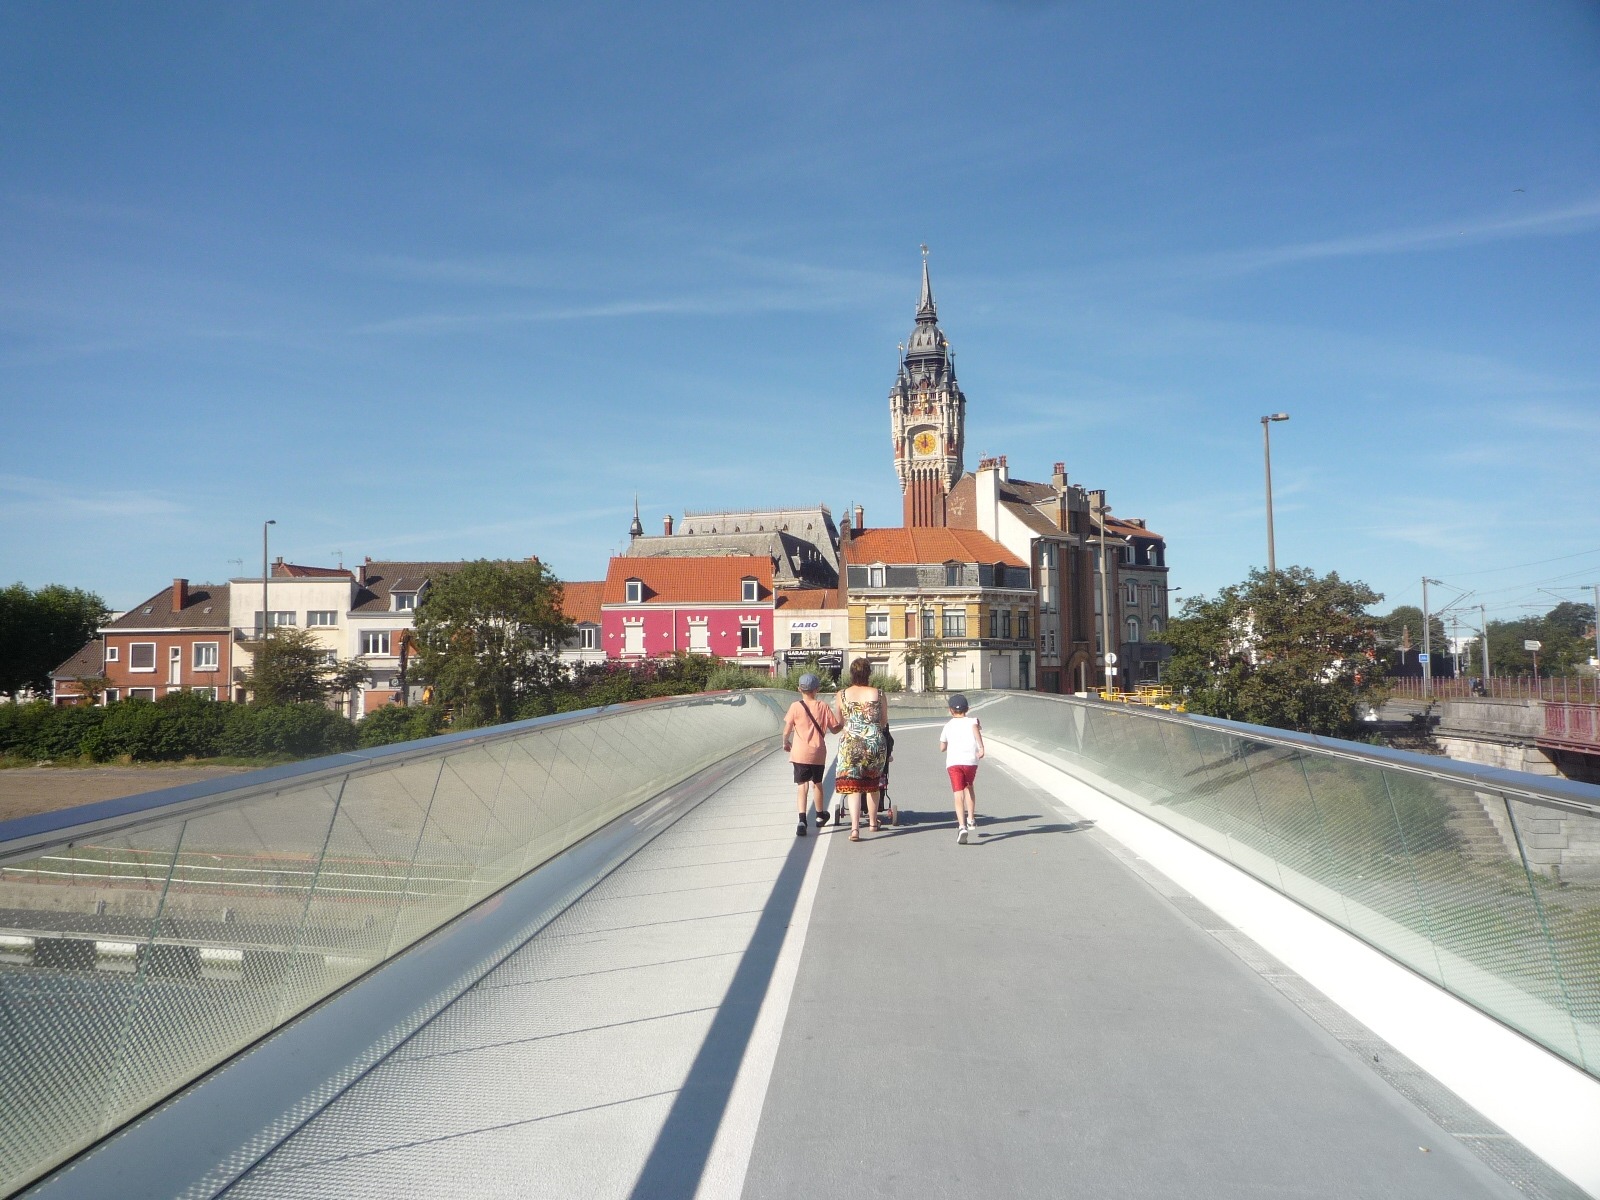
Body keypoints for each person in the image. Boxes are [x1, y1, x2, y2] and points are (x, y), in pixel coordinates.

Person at [833, 657, 890, 841]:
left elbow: (840, 722)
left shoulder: (841, 694)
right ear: (869, 674)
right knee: (873, 784)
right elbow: (883, 721)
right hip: (874, 741)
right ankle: (873, 823)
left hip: (851, 742)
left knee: (853, 787)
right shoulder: (879, 694)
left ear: (852, 673)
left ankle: (855, 829)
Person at [782, 673, 840, 837]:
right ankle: (820, 815)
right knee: (817, 783)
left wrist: (785, 742)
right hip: (818, 752)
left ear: (799, 689)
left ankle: (802, 820)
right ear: (817, 689)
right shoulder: (823, 706)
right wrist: (842, 723)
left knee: (802, 786)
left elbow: (787, 730)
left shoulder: (795, 707)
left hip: (799, 753)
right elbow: (835, 729)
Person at [939, 693, 985, 844]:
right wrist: (981, 747)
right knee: (969, 786)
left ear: (951, 710)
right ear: (968, 708)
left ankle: (962, 826)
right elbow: (975, 728)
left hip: (954, 763)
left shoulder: (948, 726)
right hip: (971, 761)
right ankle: (971, 819)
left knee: (958, 794)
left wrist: (947, 745)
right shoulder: (973, 721)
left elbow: (942, 747)